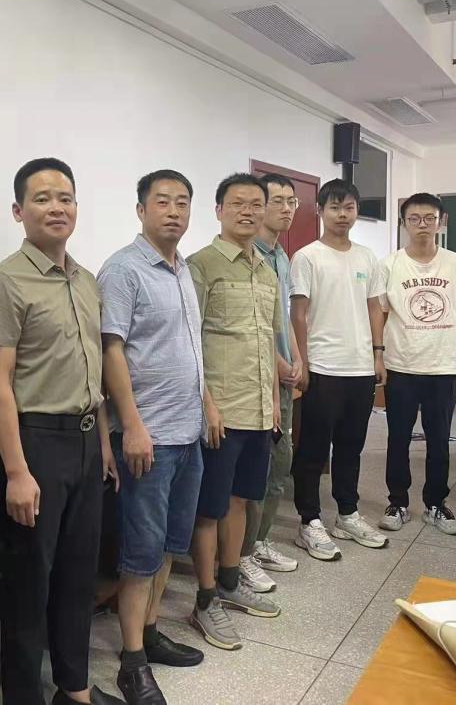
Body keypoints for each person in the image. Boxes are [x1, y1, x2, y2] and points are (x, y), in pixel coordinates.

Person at [0, 158, 122, 705]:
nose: (56, 207)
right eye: (42, 198)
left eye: (65, 197)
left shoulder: (85, 281)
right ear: (19, 211)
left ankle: (73, 688)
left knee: (78, 575)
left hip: (84, 443)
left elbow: (92, 372)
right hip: (35, 444)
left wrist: (102, 444)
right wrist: (16, 471)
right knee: (29, 584)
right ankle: (22, 696)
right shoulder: (4, 282)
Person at [98, 170, 207, 705]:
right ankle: (132, 662)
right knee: (140, 555)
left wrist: (207, 403)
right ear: (141, 210)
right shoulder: (123, 270)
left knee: (167, 547)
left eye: (182, 203)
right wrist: (133, 425)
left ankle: (150, 631)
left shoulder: (183, 268)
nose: (173, 211)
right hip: (150, 438)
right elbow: (111, 349)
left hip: (188, 432)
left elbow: (190, 346)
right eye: (162, 202)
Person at [187, 172, 282, 652]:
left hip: (259, 409)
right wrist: (207, 404)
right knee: (210, 508)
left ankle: (229, 581)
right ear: (219, 210)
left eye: (255, 204)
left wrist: (275, 403)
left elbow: (268, 343)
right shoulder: (200, 266)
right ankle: (205, 600)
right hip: (220, 410)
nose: (248, 211)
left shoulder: (266, 271)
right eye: (238, 203)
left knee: (243, 499)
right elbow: (189, 343)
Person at [369, 193, 456, 537]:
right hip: (401, 364)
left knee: (438, 440)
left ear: (440, 221)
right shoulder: (389, 265)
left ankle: (435, 504)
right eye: (414, 218)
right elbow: (380, 313)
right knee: (398, 439)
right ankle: (397, 502)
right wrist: (378, 355)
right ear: (404, 223)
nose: (422, 225)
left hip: (442, 367)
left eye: (429, 218)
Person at [289, 179, 387, 562]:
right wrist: (302, 361)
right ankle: (309, 521)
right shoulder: (307, 257)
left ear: (356, 211)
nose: (342, 215)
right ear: (320, 211)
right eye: (334, 207)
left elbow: (375, 308)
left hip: (359, 367)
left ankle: (347, 513)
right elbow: (299, 314)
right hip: (322, 367)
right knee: (313, 449)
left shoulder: (367, 258)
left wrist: (378, 354)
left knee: (351, 446)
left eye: (348, 207)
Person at [239, 173, 302, 593]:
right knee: (255, 473)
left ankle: (260, 542)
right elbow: (253, 325)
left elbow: (284, 319)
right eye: (276, 200)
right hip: (255, 378)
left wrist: (297, 358)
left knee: (280, 465)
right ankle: (241, 553)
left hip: (282, 377)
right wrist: (278, 363)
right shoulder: (249, 258)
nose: (285, 208)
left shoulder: (281, 257)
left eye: (290, 201)